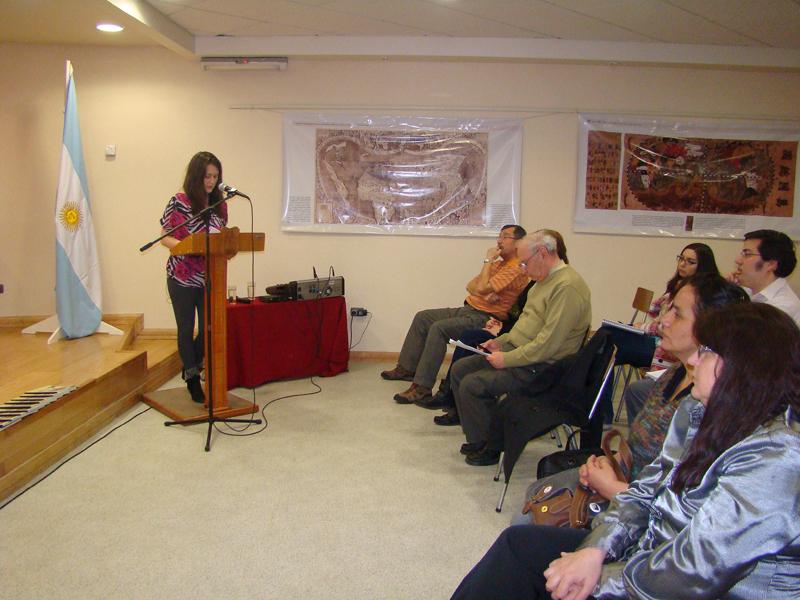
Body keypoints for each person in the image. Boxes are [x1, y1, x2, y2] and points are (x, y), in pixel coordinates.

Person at [450, 302, 800, 600]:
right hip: (651, 558)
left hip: (696, 589)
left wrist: (598, 579)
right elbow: (644, 494)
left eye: (706, 351)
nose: (692, 359)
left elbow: (697, 571)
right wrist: (594, 549)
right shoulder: (695, 414)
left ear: (743, 367)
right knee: (517, 547)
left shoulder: (777, 458)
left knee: (546, 576)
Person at [509, 273, 748, 524]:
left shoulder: (712, 404)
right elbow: (639, 448)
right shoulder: (674, 374)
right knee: (536, 498)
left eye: (677, 314)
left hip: (642, 514)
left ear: (709, 326)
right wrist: (610, 462)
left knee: (524, 525)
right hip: (626, 482)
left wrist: (612, 487)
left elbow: (680, 505)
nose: (663, 321)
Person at [451, 229, 592, 466]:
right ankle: (481, 438)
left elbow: (547, 346)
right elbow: (523, 326)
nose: (523, 269)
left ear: (544, 253)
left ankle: (492, 445)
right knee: (460, 369)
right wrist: (500, 342)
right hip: (524, 355)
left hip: (544, 368)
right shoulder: (541, 281)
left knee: (473, 384)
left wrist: (507, 359)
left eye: (525, 263)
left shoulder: (566, 287)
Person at [382, 225, 529, 405]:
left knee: (439, 329)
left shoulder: (515, 268)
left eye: (505, 237)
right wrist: (484, 290)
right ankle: (407, 368)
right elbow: (471, 286)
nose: (499, 241)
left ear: (518, 243)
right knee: (423, 317)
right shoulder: (499, 264)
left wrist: (487, 262)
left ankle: (422, 387)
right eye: (499, 236)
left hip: (486, 317)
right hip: (469, 308)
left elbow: (480, 286)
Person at [610, 242, 719, 424]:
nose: (682, 264)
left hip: (662, 349)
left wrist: (645, 326)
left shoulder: (700, 294)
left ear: (703, 266)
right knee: (608, 338)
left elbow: (661, 324)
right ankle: (599, 410)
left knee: (610, 340)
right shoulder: (676, 286)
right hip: (655, 340)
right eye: (681, 259)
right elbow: (655, 311)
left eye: (690, 261)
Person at [159, 151, 228, 403]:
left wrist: (224, 249)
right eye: (206, 176)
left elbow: (221, 238)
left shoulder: (220, 205)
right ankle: (191, 379)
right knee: (186, 329)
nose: (210, 181)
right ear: (195, 176)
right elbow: (165, 236)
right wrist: (185, 246)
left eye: (215, 176)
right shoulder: (179, 201)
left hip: (210, 277)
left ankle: (194, 365)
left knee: (210, 327)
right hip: (181, 277)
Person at [730, 229, 800, 326]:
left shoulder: (783, 307)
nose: (738, 260)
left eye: (747, 254)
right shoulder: (747, 291)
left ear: (771, 264)